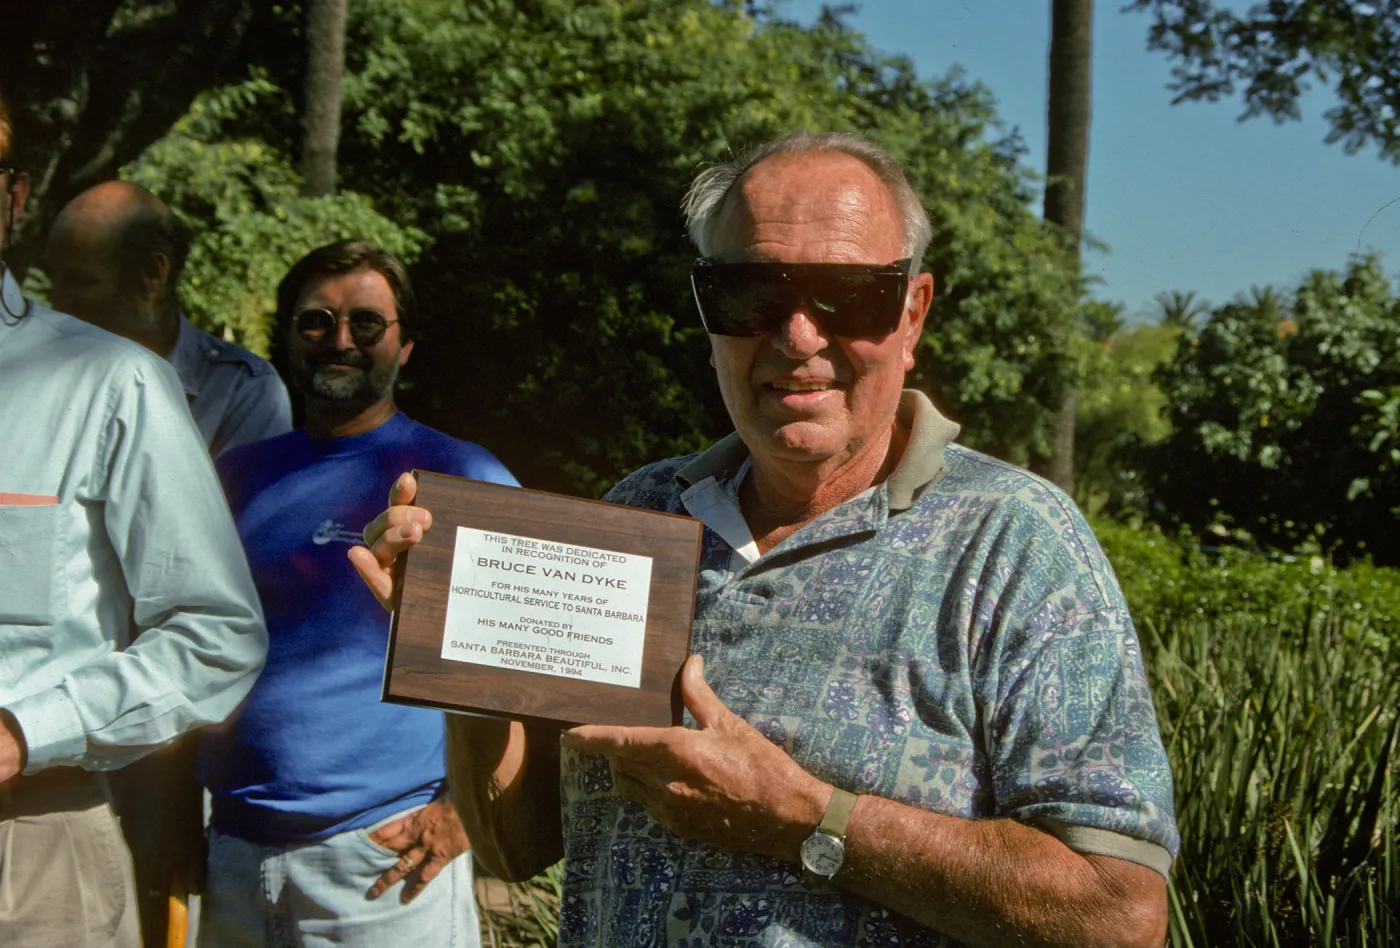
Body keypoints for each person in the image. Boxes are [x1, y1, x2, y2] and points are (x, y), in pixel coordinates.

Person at [354, 131, 1178, 948]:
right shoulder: (637, 516)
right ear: (708, 313)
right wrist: (456, 654)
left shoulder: (1013, 542)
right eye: (750, 294)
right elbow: (514, 846)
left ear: (913, 311)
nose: (797, 336)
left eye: (846, 296)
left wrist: (805, 820)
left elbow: (1117, 912)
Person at [0, 88, 268, 948]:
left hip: (29, 841)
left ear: (12, 194)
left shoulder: (110, 384)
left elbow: (218, 632)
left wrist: (18, 734)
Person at [196, 239, 515, 947]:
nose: (339, 340)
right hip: (233, 854)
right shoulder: (233, 475)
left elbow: (536, 661)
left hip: (384, 862)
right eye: (316, 322)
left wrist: (467, 809)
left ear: (405, 347)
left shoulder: (460, 473)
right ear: (287, 340)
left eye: (366, 324)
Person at [46, 180, 292, 458]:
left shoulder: (238, 390)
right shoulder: (38, 370)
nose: (58, 303)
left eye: (81, 282)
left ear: (153, 273)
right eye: (54, 278)